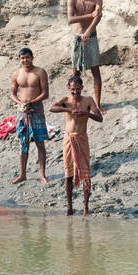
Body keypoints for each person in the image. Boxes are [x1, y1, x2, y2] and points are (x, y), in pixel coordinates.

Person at [49, 73, 102, 216]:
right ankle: (70, 207)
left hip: (82, 138)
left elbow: (100, 118)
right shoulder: (66, 100)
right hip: (68, 139)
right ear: (68, 88)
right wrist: (69, 110)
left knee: (86, 173)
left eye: (78, 89)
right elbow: (52, 108)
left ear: (82, 88)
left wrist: (87, 114)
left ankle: (85, 206)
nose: (75, 92)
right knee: (68, 175)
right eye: (73, 89)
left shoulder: (88, 100)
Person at [10, 47, 50, 185]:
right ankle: (22, 174)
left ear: (32, 57)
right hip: (22, 111)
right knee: (23, 143)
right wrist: (19, 103)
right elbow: (13, 93)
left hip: (36, 109)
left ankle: (42, 175)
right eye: (22, 58)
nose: (25, 60)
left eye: (27, 57)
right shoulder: (16, 74)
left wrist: (31, 102)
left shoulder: (40, 72)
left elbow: (45, 93)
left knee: (40, 143)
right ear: (19, 59)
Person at [67, 0, 103, 112]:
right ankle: (75, 102)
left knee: (95, 70)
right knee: (76, 72)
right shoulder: (72, 0)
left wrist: (88, 32)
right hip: (77, 38)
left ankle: (98, 104)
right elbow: (70, 19)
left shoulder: (97, 0)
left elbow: (98, 17)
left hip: (91, 37)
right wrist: (89, 15)